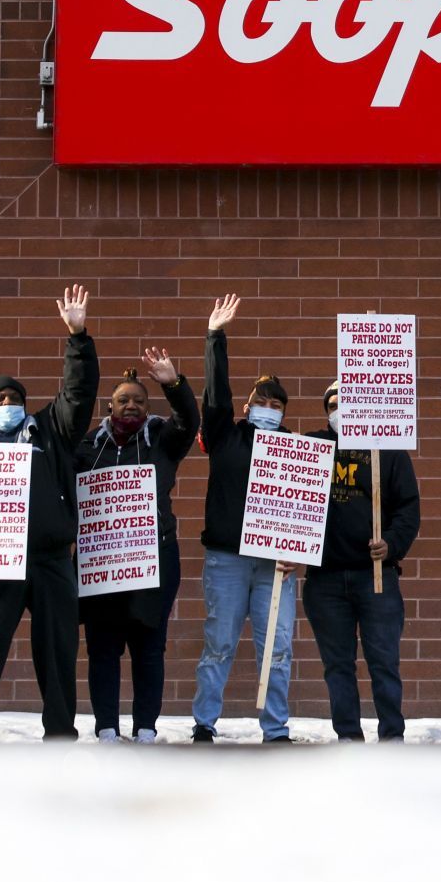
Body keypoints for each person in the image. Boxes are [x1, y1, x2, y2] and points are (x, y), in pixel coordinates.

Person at [0, 286, 98, 741]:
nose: (9, 404)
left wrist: (78, 338)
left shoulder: (50, 429)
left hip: (51, 560)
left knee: (57, 652)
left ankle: (60, 734)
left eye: (15, 397)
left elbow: (78, 391)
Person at [191, 294, 301, 744]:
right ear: (248, 404)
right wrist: (215, 338)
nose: (269, 407)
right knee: (219, 643)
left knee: (277, 649)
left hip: (276, 565)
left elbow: (307, 511)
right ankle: (204, 723)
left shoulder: (297, 449)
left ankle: (275, 728)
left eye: (277, 403)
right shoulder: (225, 436)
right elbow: (215, 396)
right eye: (262, 400)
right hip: (228, 561)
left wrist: (300, 552)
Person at [80, 350, 198, 744]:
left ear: (149, 407)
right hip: (103, 564)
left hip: (155, 562)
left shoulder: (163, 441)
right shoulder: (89, 448)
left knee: (149, 647)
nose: (131, 405)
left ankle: (146, 728)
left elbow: (190, 421)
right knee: (103, 649)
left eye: (139, 400)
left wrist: (173, 384)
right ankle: (107, 729)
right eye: (122, 400)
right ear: (109, 407)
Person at [303, 381, 422, 742]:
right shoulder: (310, 448)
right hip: (324, 580)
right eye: (332, 404)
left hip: (377, 577)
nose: (338, 410)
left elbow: (408, 508)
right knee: (337, 666)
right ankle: (348, 739)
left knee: (384, 662)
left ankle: (391, 737)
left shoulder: (388, 452)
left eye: (346, 402)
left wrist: (392, 544)